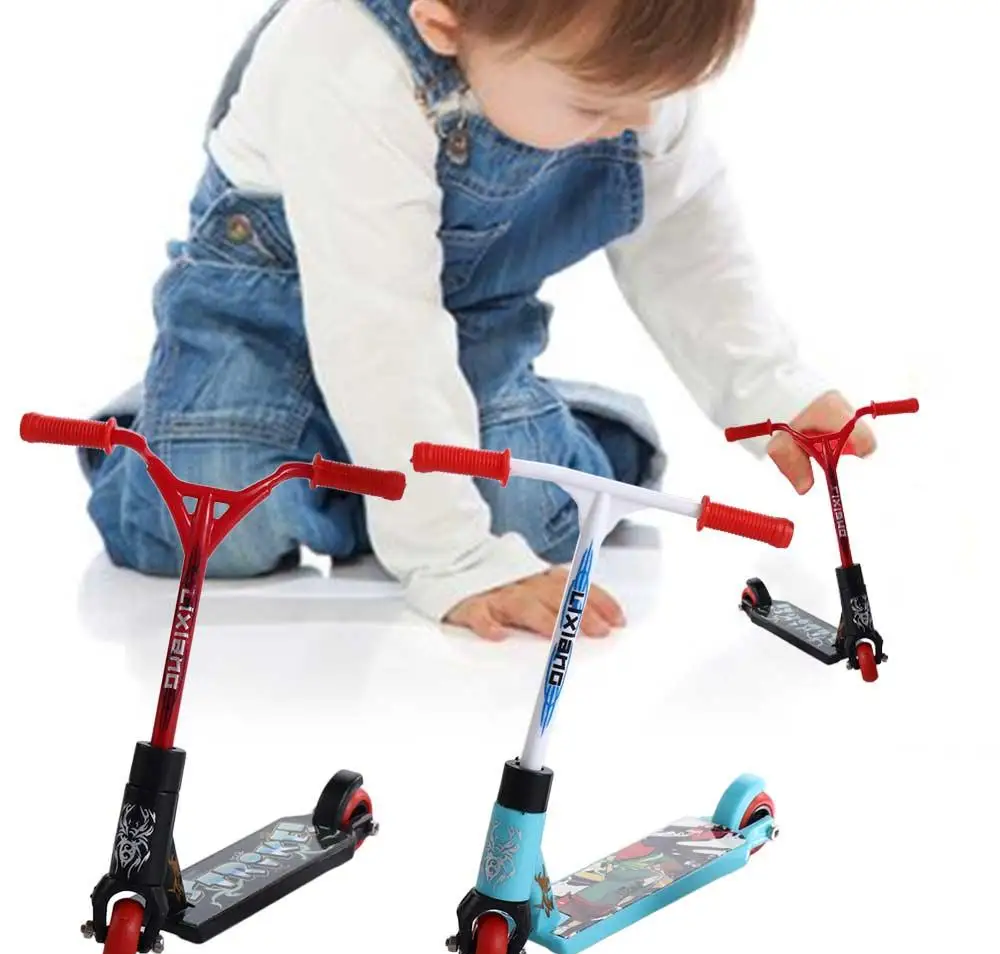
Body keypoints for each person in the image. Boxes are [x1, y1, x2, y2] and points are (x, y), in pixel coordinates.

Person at [83, 0, 876, 642]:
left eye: (662, 93)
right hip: (261, 319)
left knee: (535, 515)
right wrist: (450, 557)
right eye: (597, 104)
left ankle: (414, 466)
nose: (640, 120)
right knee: (211, 516)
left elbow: (688, 245)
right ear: (444, 24)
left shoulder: (625, 78)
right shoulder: (345, 57)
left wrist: (770, 387)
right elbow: (380, 324)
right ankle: (175, 418)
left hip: (460, 331)